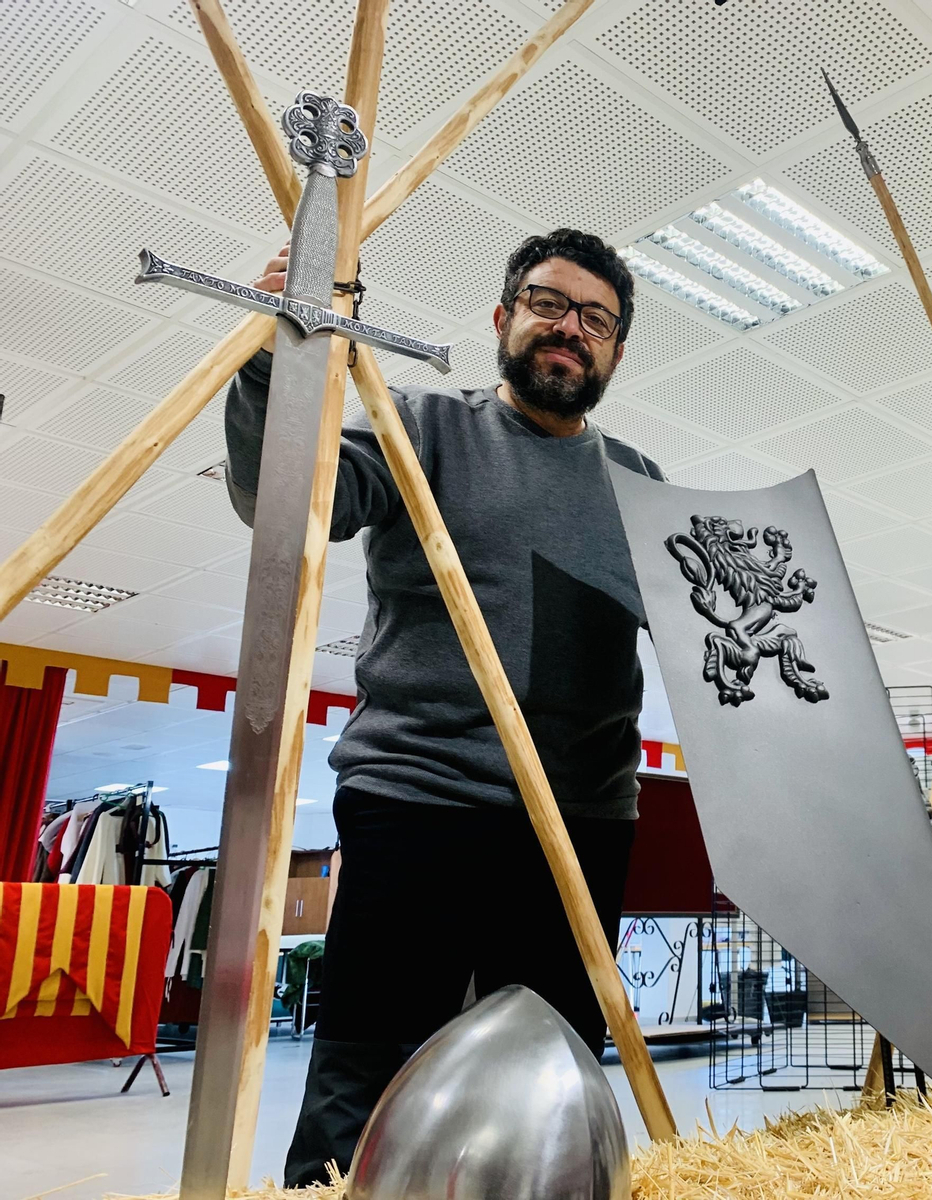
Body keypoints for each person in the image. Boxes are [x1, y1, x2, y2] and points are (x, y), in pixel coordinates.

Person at [224, 229, 662, 1186]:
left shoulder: (640, 484)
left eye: (596, 319)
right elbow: (289, 499)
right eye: (549, 304)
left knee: (553, 1085)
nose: (570, 328)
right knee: (367, 1074)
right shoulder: (422, 425)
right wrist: (274, 366)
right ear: (503, 318)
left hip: (583, 824)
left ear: (616, 352)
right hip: (421, 800)